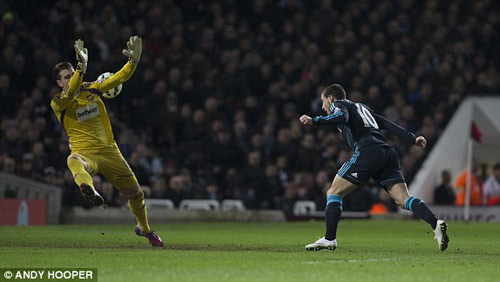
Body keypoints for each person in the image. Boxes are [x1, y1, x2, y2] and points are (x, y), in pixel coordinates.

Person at [299, 84, 449, 251]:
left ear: (331, 98)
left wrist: (314, 120)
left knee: (333, 192)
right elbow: (386, 123)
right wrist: (412, 139)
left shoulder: (338, 105)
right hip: (386, 152)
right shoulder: (363, 108)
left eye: (323, 101)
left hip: (368, 151)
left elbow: (341, 116)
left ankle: (329, 239)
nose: (322, 106)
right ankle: (436, 224)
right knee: (403, 199)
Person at [50, 37, 164, 247]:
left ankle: (145, 230)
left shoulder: (92, 88)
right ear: (59, 83)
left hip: (110, 153)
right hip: (85, 153)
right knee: (73, 160)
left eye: (72, 74)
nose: (72, 78)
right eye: (67, 77)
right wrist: (81, 68)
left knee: (136, 194)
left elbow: (118, 78)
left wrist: (133, 63)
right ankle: (88, 187)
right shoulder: (59, 102)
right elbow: (71, 92)